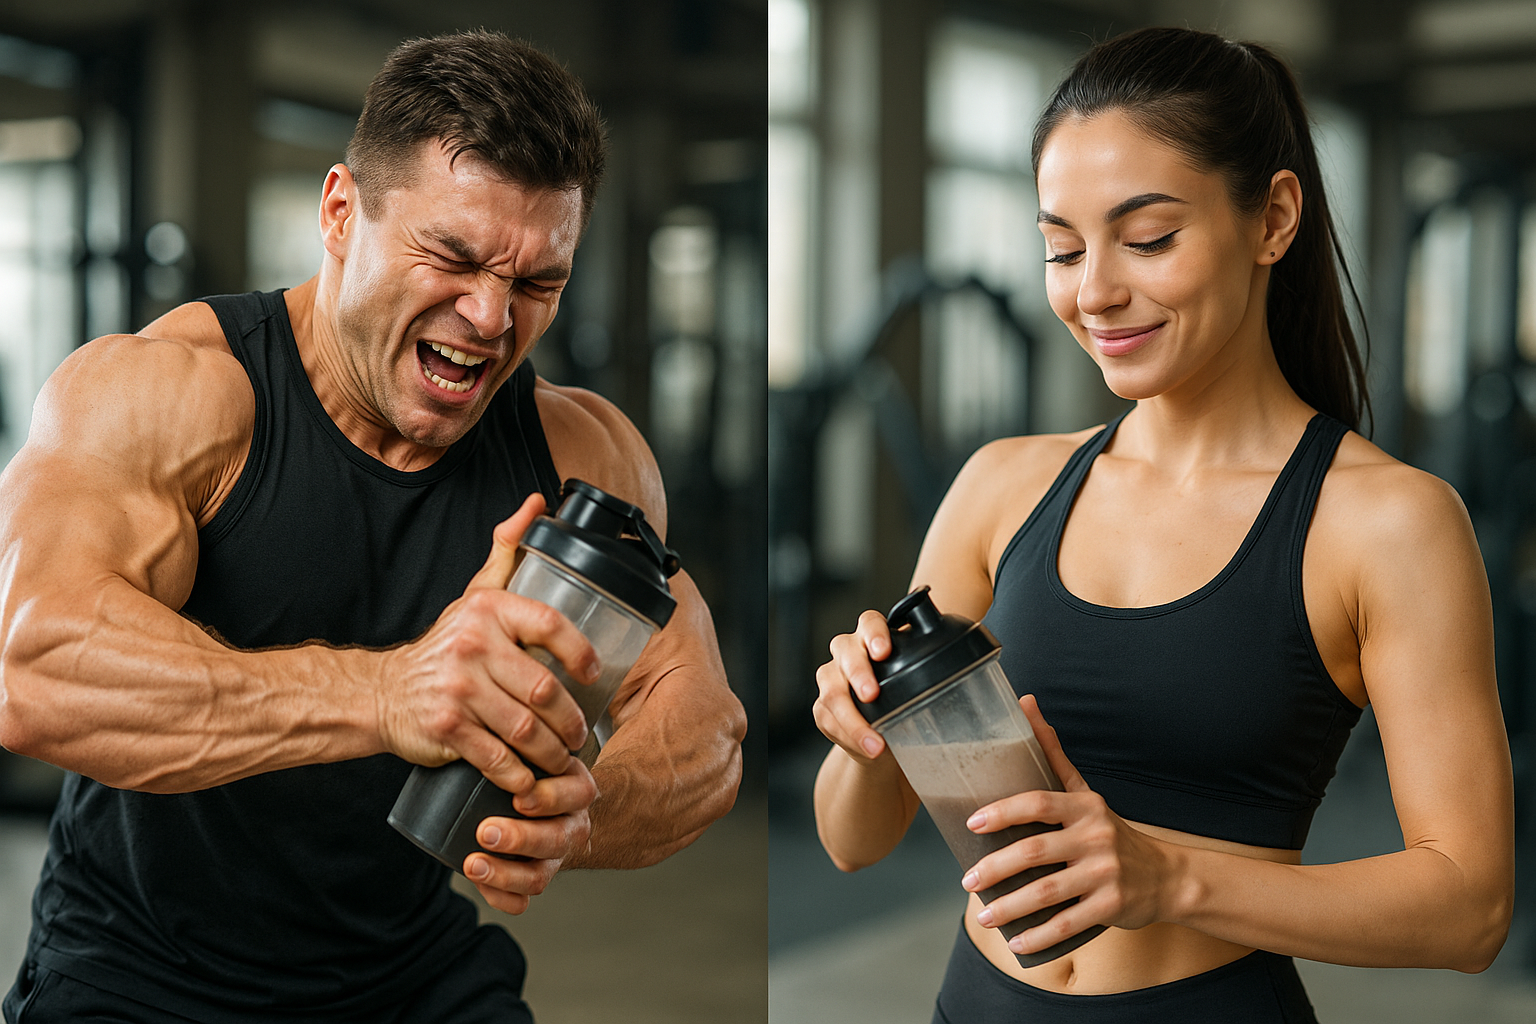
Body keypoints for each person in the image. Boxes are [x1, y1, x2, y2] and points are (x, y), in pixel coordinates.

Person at [0, 29, 745, 1024]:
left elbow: (705, 728)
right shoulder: (175, 393)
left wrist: (578, 814)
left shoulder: (581, 456)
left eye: (536, 283)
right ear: (341, 212)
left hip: (408, 976)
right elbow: (29, 666)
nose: (489, 317)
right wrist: (389, 693)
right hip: (140, 970)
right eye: (452, 255)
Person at [812, 26, 1513, 1024]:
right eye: (1062, 246)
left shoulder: (1386, 523)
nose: (1094, 289)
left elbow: (1471, 907)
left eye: (1147, 239)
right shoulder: (1001, 487)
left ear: (1273, 218)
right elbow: (851, 839)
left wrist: (1166, 877)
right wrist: (862, 734)